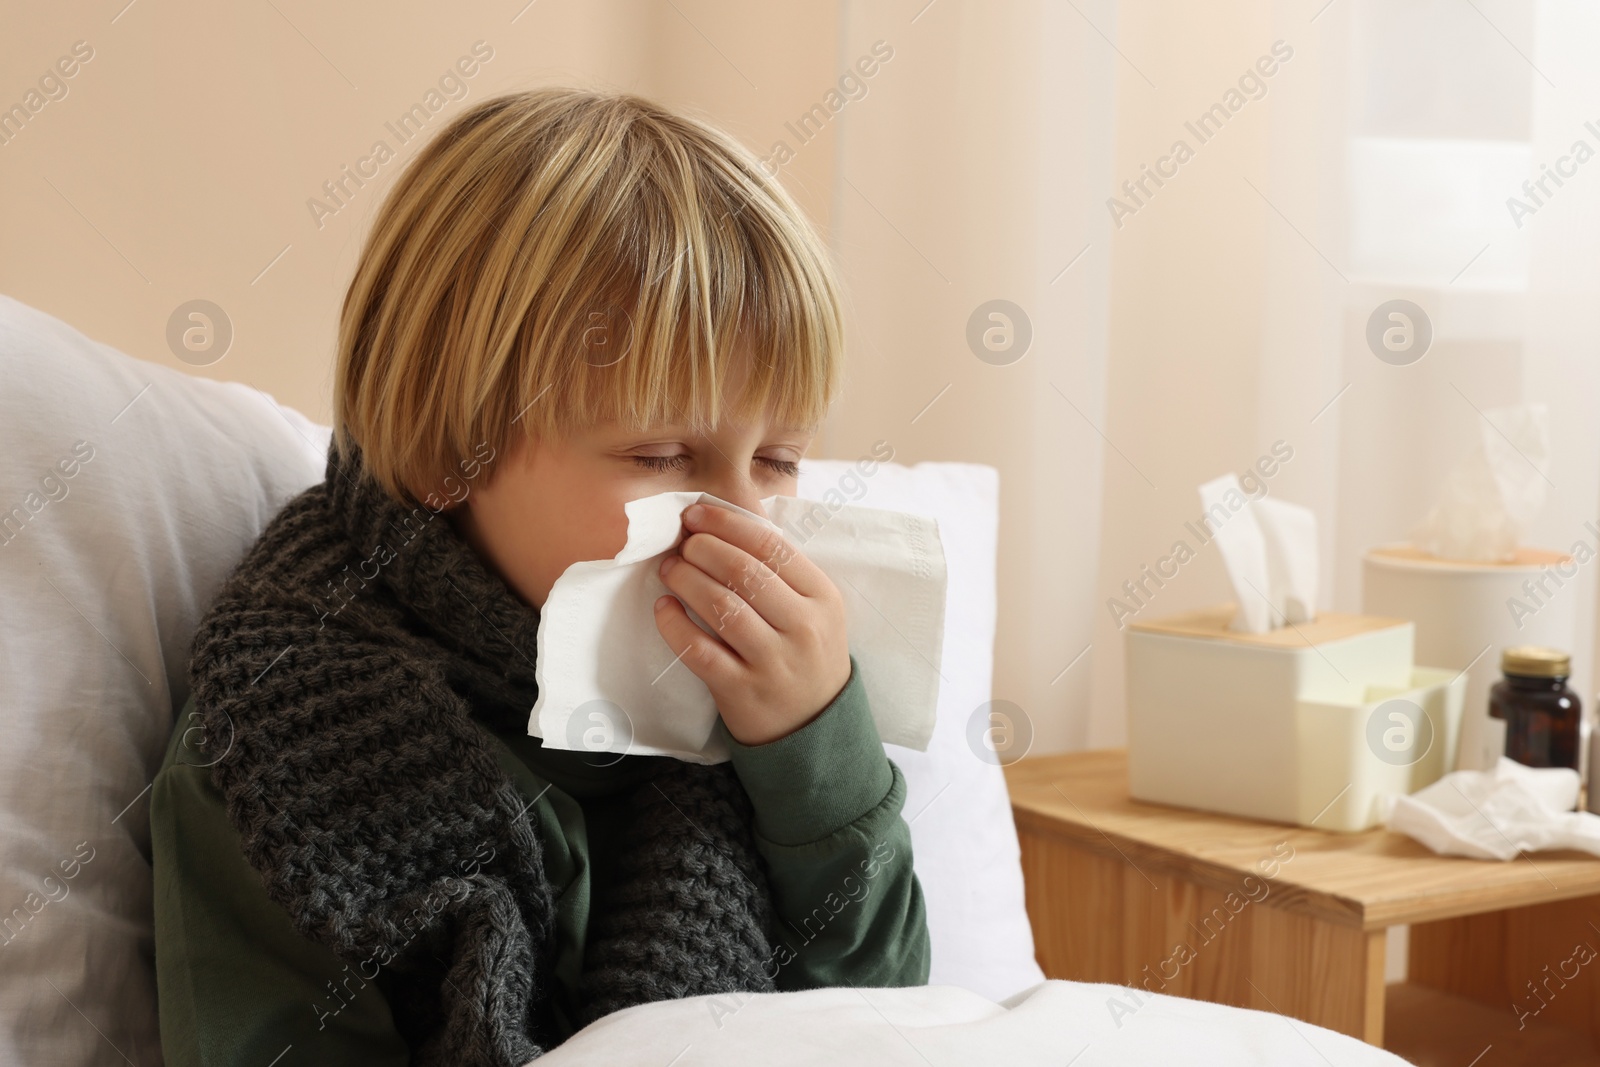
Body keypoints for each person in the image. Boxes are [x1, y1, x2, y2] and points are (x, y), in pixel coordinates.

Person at [149, 86, 930, 1066]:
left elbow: (886, 1022)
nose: (743, 518)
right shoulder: (283, 727)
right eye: (662, 455)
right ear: (449, 452)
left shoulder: (750, 705)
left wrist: (816, 758)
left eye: (776, 460)